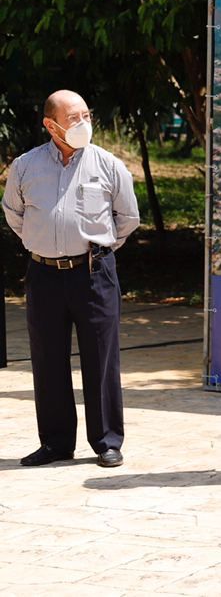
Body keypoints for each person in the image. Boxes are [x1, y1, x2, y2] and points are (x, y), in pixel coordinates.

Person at [2, 90, 139, 468]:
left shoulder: (109, 164)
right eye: (73, 118)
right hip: (43, 274)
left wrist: (97, 248)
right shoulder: (26, 166)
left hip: (94, 273)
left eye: (86, 116)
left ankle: (107, 441)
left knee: (101, 358)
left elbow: (127, 218)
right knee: (47, 359)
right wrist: (44, 242)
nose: (83, 124)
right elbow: (14, 214)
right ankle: (56, 443)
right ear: (51, 125)